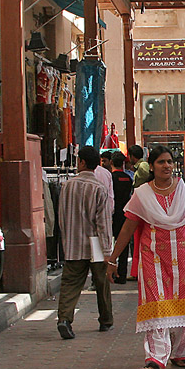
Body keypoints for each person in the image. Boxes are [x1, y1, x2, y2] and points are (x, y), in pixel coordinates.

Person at [106, 145, 185, 369]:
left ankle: (182, 352)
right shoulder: (142, 194)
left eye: (170, 162)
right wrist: (112, 260)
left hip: (184, 257)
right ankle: (156, 359)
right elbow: (127, 228)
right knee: (156, 306)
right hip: (153, 258)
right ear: (151, 166)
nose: (167, 166)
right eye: (161, 162)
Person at [55, 146, 114, 340]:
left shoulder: (67, 186)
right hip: (95, 243)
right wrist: (107, 251)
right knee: (101, 281)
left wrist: (66, 238)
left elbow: (61, 217)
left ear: (81, 162)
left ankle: (64, 319)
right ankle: (105, 320)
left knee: (70, 283)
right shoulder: (99, 188)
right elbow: (103, 223)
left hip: (73, 241)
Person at [109, 150, 134, 283]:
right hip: (125, 214)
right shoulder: (128, 178)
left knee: (110, 244)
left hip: (113, 214)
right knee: (123, 244)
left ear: (111, 162)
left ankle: (111, 270)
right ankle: (122, 274)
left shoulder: (110, 178)